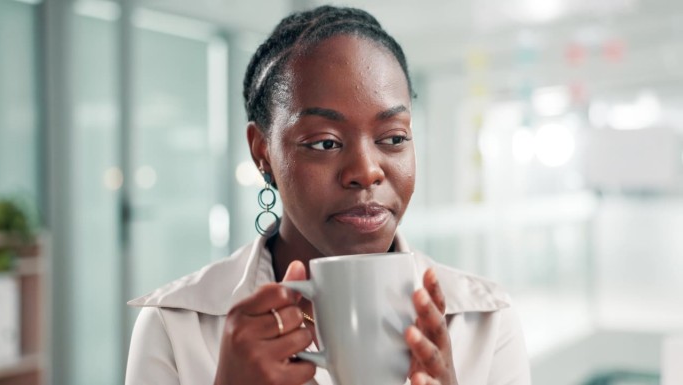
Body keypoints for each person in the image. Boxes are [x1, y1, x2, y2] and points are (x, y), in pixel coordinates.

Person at [125, 5, 531, 385]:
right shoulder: (176, 327)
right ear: (262, 151)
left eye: (393, 138)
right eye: (324, 143)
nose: (367, 171)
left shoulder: (483, 322)